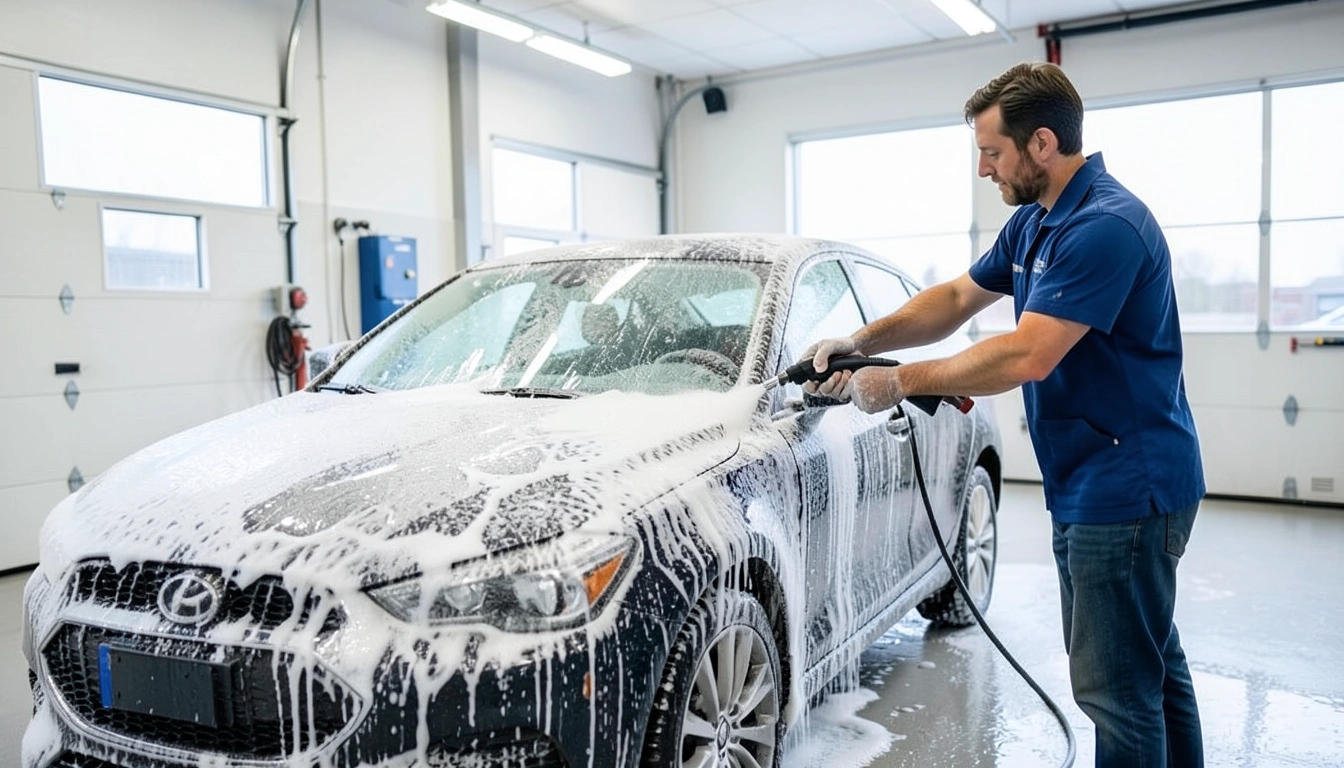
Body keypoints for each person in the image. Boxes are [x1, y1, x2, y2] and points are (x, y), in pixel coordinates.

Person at [805, 61, 1205, 768]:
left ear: (1042, 144)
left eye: (993, 153)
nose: (985, 170)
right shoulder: (1035, 225)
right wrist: (860, 341)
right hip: (1092, 480)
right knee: (1153, 667)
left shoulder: (1105, 226)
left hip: (1128, 488)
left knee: (1116, 690)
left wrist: (899, 382)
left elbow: (1028, 356)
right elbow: (956, 300)